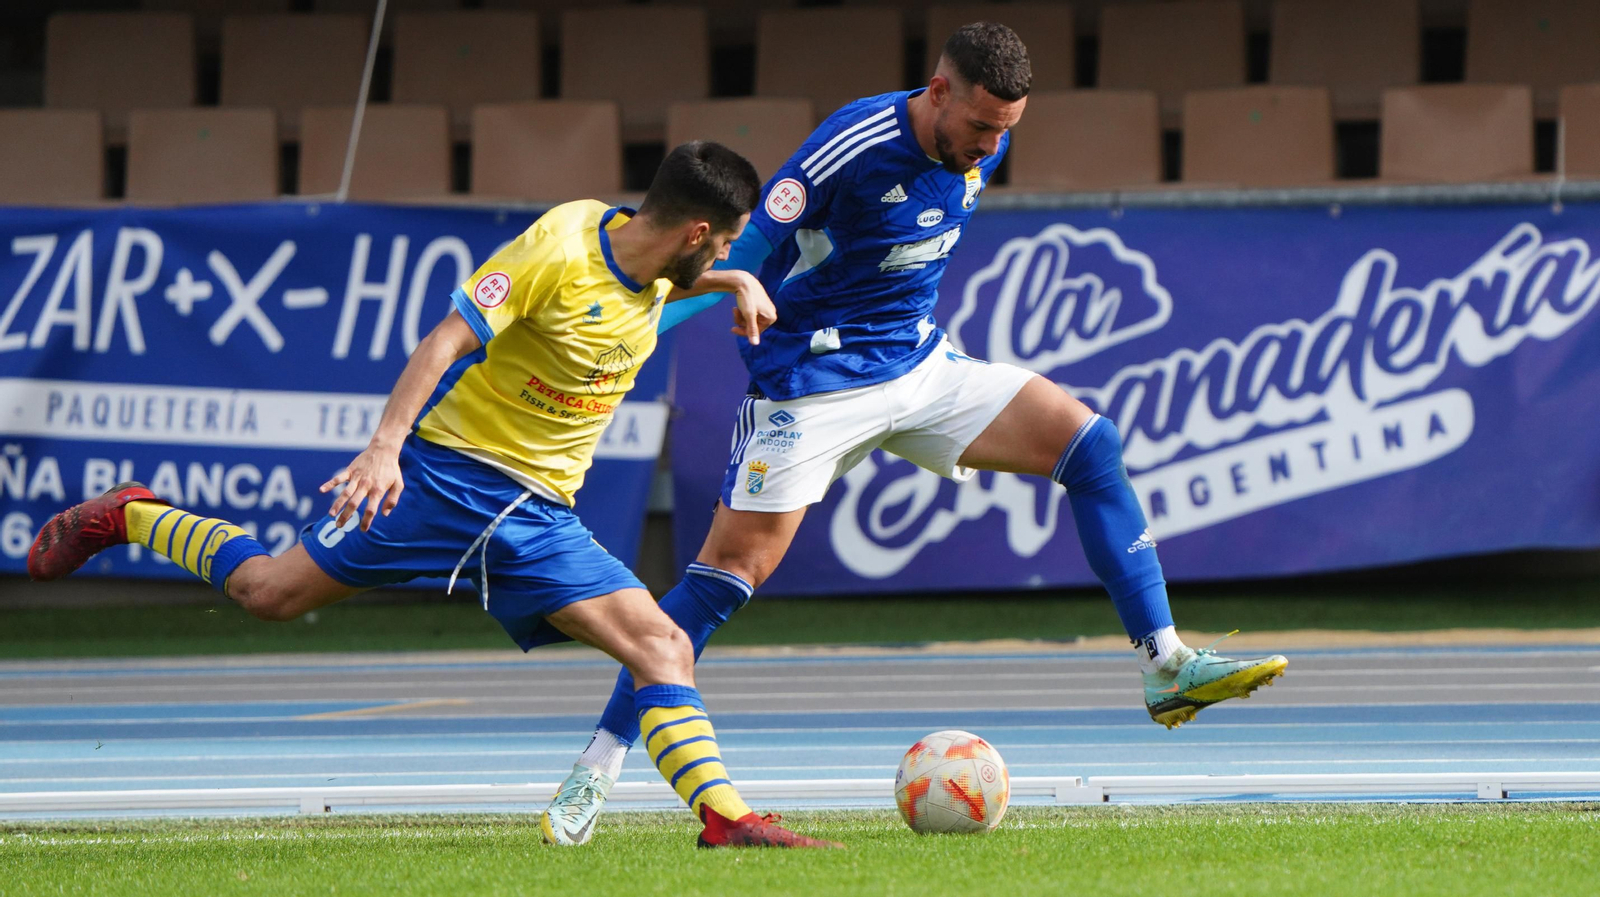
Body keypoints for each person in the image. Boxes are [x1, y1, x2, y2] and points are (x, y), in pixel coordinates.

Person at [538, 23, 1288, 846]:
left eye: (1007, 130)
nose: (991, 145)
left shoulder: (983, 141)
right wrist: (631, 330)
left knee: (1090, 445)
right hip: (813, 386)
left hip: (923, 369)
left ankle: (1167, 665)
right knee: (717, 586)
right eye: (980, 127)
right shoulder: (849, 146)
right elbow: (733, 253)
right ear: (938, 92)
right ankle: (597, 764)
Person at [27, 141, 841, 851]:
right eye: (726, 241)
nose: (728, 252)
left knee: (266, 589)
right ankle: (726, 817)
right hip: (462, 483)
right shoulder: (557, 248)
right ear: (694, 231)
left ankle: (133, 510)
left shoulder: (647, 251)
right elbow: (445, 338)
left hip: (519, 506)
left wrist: (731, 278)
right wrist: (383, 448)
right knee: (662, 646)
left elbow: (660, 281)